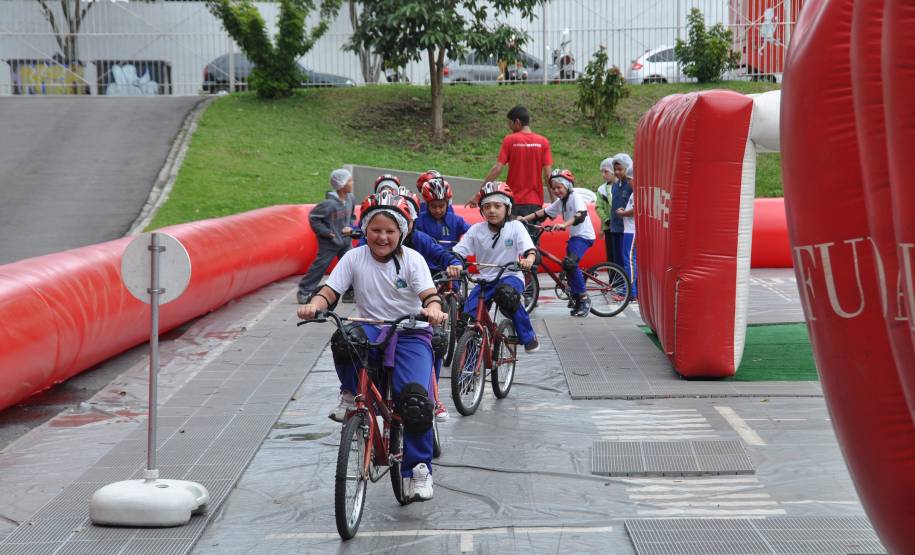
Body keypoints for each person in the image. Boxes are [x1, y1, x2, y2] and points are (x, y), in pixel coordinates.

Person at [296, 192, 448, 502]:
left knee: (416, 401)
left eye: (390, 231)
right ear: (365, 229)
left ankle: (418, 469)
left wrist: (433, 309)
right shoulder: (354, 257)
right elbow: (330, 291)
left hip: (410, 331)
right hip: (370, 327)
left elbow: (430, 295)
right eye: (376, 230)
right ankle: (351, 394)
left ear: (402, 231)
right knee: (343, 338)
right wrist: (315, 305)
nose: (382, 237)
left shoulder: (413, 260)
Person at [454, 181, 540, 352]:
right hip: (485, 280)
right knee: (465, 320)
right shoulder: (476, 230)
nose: (491, 210)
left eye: (497, 206)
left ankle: (529, 337)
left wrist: (529, 259)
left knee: (507, 295)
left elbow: (530, 250)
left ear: (508, 208)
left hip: (510, 276)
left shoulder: (515, 227)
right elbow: (458, 252)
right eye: (487, 206)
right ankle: (470, 360)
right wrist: (454, 264)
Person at [518, 169, 596, 317]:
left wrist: (564, 225)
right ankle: (575, 297)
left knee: (570, 263)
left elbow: (580, 214)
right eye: (554, 188)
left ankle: (584, 299)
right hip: (574, 237)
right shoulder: (561, 202)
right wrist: (523, 219)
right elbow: (543, 212)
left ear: (568, 186)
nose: (556, 191)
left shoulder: (575, 197)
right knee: (567, 265)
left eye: (559, 187)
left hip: (584, 237)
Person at [478, 105, 553, 241]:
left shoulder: (510, 140)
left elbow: (497, 168)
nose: (509, 127)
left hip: (513, 202)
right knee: (532, 244)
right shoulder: (543, 142)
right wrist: (555, 202)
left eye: (510, 123)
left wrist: (479, 193)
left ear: (517, 122)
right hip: (535, 204)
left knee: (510, 242)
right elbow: (548, 176)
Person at [297, 168, 356, 305]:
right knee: (320, 267)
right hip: (330, 242)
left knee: (353, 265)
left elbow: (352, 216)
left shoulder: (351, 199)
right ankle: (304, 292)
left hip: (345, 241)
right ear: (341, 185)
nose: (352, 183)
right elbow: (314, 218)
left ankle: (350, 292)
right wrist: (327, 233)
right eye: (349, 181)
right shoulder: (328, 204)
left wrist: (351, 227)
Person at [415, 177, 471, 249]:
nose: (438, 210)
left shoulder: (456, 221)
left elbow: (473, 231)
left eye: (441, 206)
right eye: (433, 206)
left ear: (447, 204)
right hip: (426, 255)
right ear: (427, 204)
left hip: (452, 255)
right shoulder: (419, 221)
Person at [607, 153, 633, 269]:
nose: (617, 172)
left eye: (620, 169)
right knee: (616, 258)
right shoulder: (616, 185)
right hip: (615, 226)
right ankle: (619, 279)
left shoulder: (631, 184)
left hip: (626, 228)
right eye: (615, 169)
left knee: (625, 258)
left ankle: (626, 280)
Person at [616, 182, 638, 302]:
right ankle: (629, 289)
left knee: (629, 261)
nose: (629, 182)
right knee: (630, 260)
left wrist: (622, 213)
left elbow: (635, 210)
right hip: (629, 229)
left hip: (632, 230)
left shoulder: (638, 192)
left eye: (630, 179)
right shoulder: (634, 192)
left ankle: (630, 292)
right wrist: (624, 211)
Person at [595, 157, 616, 263]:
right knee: (611, 254)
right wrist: (606, 220)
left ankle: (623, 273)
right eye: (602, 172)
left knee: (621, 253)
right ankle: (612, 273)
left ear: (613, 171)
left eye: (606, 171)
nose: (603, 174)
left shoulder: (622, 186)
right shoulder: (601, 189)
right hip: (609, 227)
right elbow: (598, 207)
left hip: (622, 227)